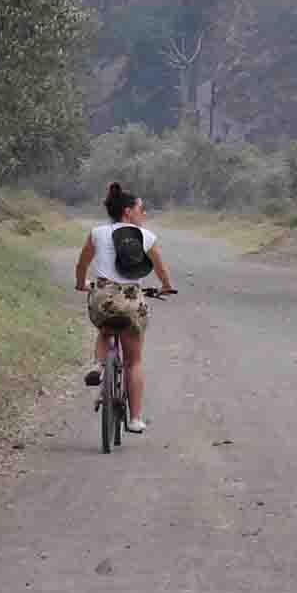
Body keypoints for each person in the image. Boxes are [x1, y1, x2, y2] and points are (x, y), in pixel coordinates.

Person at [75, 182, 176, 433]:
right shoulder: (147, 237)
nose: (144, 213)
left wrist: (81, 284)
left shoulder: (97, 233)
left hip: (103, 298)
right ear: (128, 211)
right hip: (131, 300)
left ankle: (98, 366)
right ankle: (135, 419)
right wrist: (165, 286)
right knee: (134, 361)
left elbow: (82, 263)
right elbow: (161, 270)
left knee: (105, 329)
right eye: (142, 209)